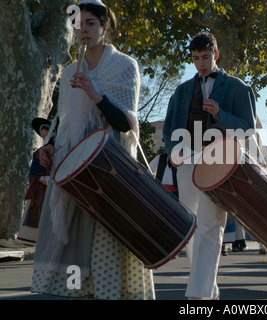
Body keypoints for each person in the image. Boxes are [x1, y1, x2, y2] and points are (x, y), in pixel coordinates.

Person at [31, 0, 154, 300]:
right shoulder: (71, 69)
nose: (83, 30)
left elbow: (125, 124)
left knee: (105, 244)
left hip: (107, 171)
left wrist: (95, 93)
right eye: (78, 24)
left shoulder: (125, 66)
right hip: (72, 171)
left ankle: (109, 295)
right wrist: (47, 148)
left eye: (91, 24)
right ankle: (78, 294)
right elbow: (63, 121)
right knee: (74, 247)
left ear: (105, 27)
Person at [163, 32, 256, 299]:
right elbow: (169, 130)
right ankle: (207, 289)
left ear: (216, 55)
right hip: (187, 163)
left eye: (205, 57)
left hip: (219, 163)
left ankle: (198, 296)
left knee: (210, 226)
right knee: (191, 226)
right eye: (195, 58)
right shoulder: (181, 91)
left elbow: (248, 130)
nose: (200, 64)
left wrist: (220, 114)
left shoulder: (239, 87)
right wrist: (173, 152)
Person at [18, 118, 52, 242]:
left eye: (46, 135)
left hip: (53, 187)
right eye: (42, 135)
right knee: (37, 210)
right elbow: (34, 171)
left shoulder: (58, 150)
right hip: (40, 188)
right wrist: (41, 178)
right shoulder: (39, 153)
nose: (44, 138)